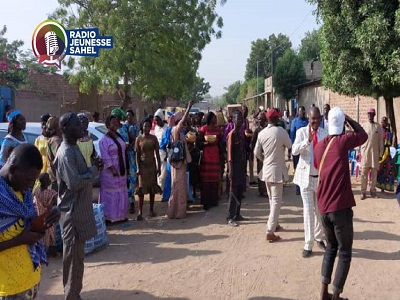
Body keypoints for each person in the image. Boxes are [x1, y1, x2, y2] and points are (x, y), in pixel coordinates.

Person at [314, 107, 367, 300]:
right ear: (341, 124)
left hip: (323, 207)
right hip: (340, 208)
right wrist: (350, 119)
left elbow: (317, 165)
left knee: (330, 248)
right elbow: (363, 134)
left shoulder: (320, 146)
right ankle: (336, 297)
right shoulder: (343, 142)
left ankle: (323, 294)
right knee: (345, 251)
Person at [0, 144, 60, 299]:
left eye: (34, 181)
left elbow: (27, 225)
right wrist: (20, 240)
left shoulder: (22, 191)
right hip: (7, 287)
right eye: (28, 180)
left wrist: (45, 221)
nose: (31, 186)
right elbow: (22, 235)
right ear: (13, 169)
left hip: (30, 278)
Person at [54, 112, 102, 300]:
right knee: (73, 260)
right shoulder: (66, 152)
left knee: (77, 260)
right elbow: (74, 183)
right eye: (76, 124)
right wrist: (93, 170)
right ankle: (71, 296)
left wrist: (93, 167)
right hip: (72, 213)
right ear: (65, 128)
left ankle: (74, 294)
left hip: (79, 212)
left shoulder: (75, 148)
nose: (81, 127)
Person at [292, 106, 327, 258]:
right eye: (313, 119)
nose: (316, 121)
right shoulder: (301, 132)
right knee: (308, 211)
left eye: (318, 119)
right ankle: (308, 244)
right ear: (308, 118)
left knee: (320, 211)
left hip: (319, 179)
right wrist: (307, 141)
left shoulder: (325, 133)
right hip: (305, 178)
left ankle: (319, 238)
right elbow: (294, 151)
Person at [254, 109, 292, 242]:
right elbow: (289, 144)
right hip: (277, 172)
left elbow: (256, 152)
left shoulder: (262, 133)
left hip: (266, 170)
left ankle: (275, 224)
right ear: (276, 119)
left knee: (272, 200)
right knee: (276, 201)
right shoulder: (280, 131)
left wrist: (264, 160)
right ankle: (270, 230)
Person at [98, 115, 129, 224]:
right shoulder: (104, 140)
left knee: (121, 192)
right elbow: (105, 156)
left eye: (116, 121)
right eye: (113, 122)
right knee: (111, 194)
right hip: (111, 172)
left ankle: (121, 216)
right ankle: (110, 217)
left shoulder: (118, 137)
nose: (115, 124)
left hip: (121, 169)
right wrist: (112, 169)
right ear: (108, 125)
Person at [167, 101, 193, 219]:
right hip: (178, 163)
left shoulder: (174, 131)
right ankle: (179, 212)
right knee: (179, 186)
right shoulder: (176, 130)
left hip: (177, 162)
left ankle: (174, 210)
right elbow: (182, 122)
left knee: (177, 186)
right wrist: (189, 108)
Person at [135, 118, 162, 220]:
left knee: (152, 188)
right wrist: (138, 168)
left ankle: (151, 209)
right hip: (142, 167)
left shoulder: (154, 138)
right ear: (142, 127)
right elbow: (137, 155)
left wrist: (159, 167)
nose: (146, 128)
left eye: (148, 126)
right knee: (141, 190)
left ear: (150, 127)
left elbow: (157, 154)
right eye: (144, 126)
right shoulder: (138, 139)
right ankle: (140, 211)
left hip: (151, 166)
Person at [111, 108, 137, 214]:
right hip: (120, 158)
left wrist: (129, 146)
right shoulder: (114, 131)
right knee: (122, 181)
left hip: (129, 156)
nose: (115, 120)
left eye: (116, 118)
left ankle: (132, 204)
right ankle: (123, 204)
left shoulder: (126, 127)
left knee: (132, 179)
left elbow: (133, 138)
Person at [226, 110, 247, 227]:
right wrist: (230, 170)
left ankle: (237, 214)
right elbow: (230, 155)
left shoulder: (241, 133)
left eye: (240, 118)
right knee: (233, 192)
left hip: (241, 167)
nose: (239, 120)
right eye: (237, 118)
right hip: (234, 167)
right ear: (233, 120)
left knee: (240, 191)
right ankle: (230, 216)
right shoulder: (232, 135)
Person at [199, 111, 224, 210]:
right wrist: (206, 143)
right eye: (214, 118)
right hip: (206, 156)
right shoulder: (203, 129)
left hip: (215, 156)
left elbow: (221, 143)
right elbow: (199, 142)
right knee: (206, 180)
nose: (216, 119)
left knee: (214, 179)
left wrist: (222, 154)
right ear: (210, 118)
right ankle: (206, 202)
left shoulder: (218, 130)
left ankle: (214, 200)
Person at [360, 108, 383, 200]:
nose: (370, 115)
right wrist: (360, 150)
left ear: (374, 115)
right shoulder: (364, 125)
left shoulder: (378, 126)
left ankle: (373, 190)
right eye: (369, 114)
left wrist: (381, 153)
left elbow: (380, 141)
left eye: (372, 114)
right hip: (365, 153)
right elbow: (360, 139)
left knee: (374, 173)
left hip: (375, 154)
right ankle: (363, 192)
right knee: (364, 173)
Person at [33, 172, 58, 256]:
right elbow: (52, 204)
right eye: (49, 179)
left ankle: (41, 253)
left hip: (39, 215)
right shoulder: (50, 192)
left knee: (41, 235)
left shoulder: (37, 190)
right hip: (48, 216)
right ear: (47, 182)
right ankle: (52, 252)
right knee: (51, 234)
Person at [290, 106, 309, 195]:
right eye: (300, 111)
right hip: (297, 148)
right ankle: (298, 187)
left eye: (303, 111)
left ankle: (305, 186)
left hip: (306, 148)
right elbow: (292, 135)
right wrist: (292, 149)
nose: (302, 113)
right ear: (298, 112)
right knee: (297, 167)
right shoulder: (294, 122)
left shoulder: (307, 122)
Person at [377, 117, 396, 192]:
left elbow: (390, 142)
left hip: (387, 152)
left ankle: (385, 187)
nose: (382, 123)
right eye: (382, 122)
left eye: (384, 122)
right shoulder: (378, 131)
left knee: (387, 170)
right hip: (380, 152)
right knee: (380, 169)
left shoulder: (388, 132)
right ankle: (379, 186)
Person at [251, 111, 268, 197]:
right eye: (259, 119)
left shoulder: (268, 129)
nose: (259, 120)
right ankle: (261, 191)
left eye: (261, 119)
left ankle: (267, 189)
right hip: (260, 155)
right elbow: (253, 143)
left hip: (268, 154)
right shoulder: (257, 130)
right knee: (260, 172)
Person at [46, 116, 62, 191]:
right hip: (55, 177)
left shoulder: (52, 140)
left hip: (53, 176)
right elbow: (60, 158)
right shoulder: (56, 141)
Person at [154, 108, 168, 190]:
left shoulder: (167, 127)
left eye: (158, 120)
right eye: (155, 120)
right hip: (157, 153)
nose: (156, 122)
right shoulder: (156, 128)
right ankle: (159, 188)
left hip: (165, 153)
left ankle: (163, 189)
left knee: (164, 172)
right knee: (157, 171)